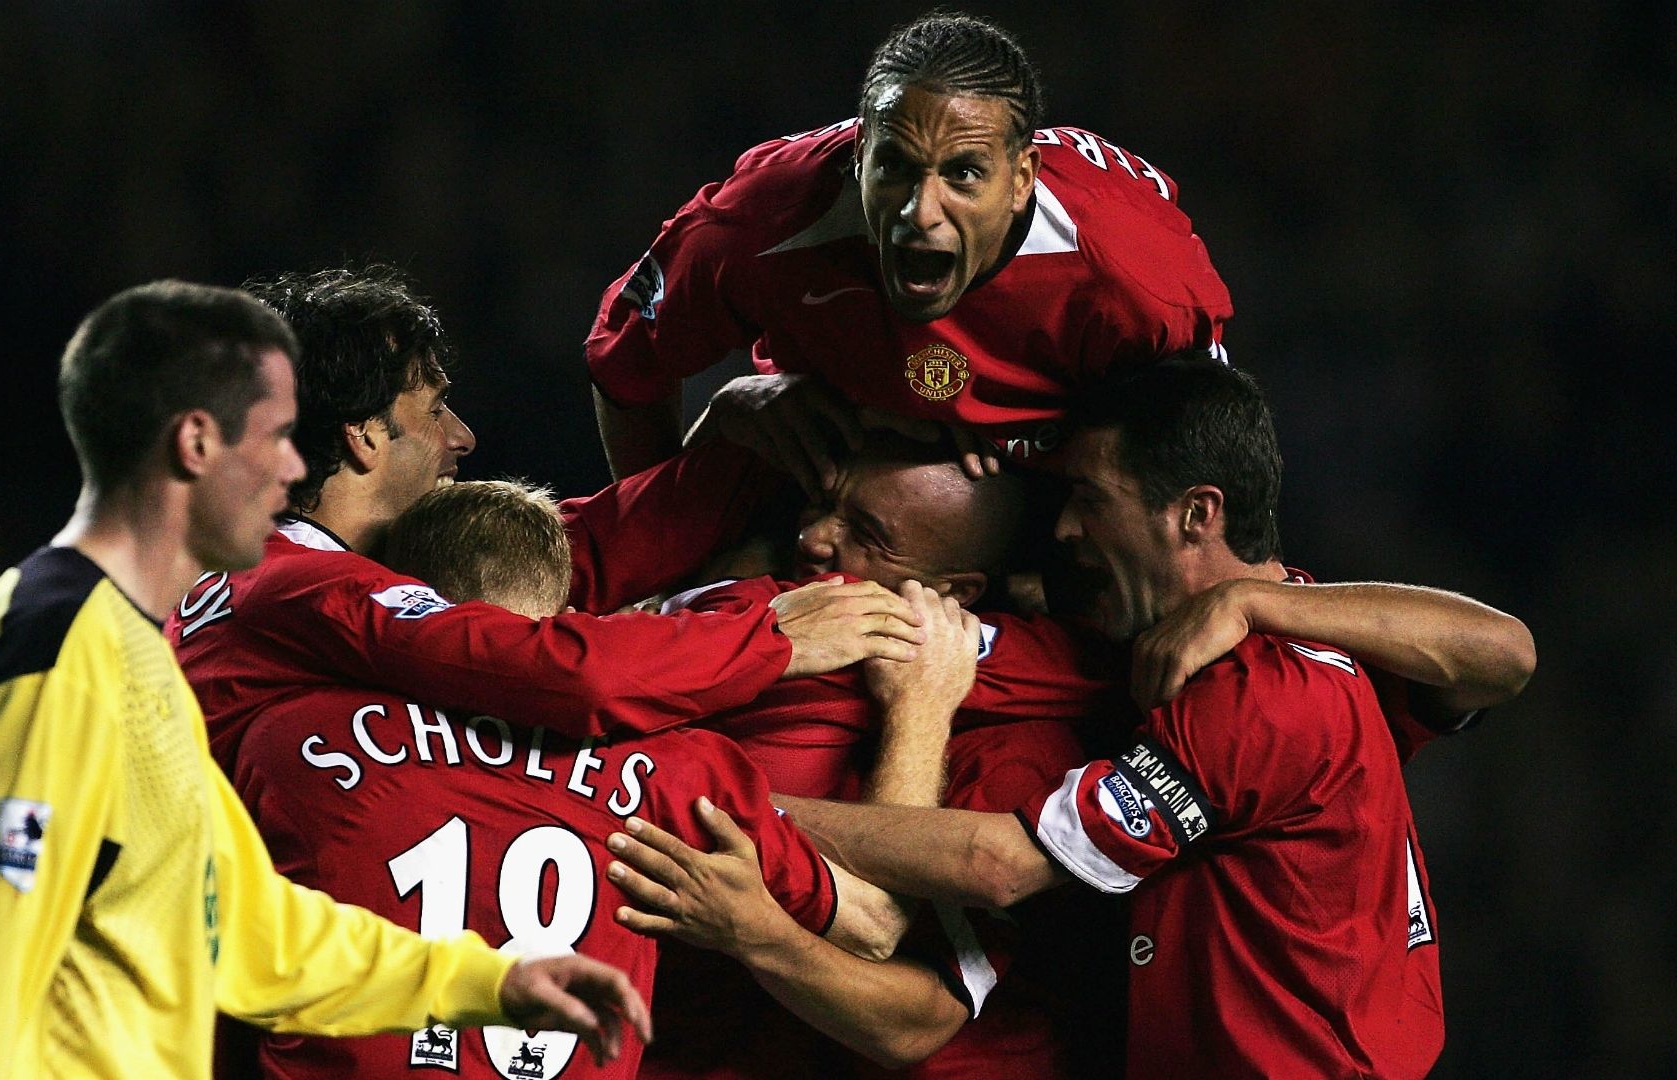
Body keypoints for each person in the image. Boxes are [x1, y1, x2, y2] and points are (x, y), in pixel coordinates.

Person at [585, 426, 1534, 1076]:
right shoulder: (1282, 642)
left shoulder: (1246, 695)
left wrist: (698, 804)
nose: (1069, 530)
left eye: (1090, 499)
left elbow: (982, 882)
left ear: (1194, 514)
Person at [0, 282, 648, 1080]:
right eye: (278, 437)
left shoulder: (137, 652)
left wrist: (487, 980)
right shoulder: (60, 654)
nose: (296, 467)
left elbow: (254, 930)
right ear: (195, 444)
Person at [221, 479, 949, 1078]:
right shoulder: (679, 771)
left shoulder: (287, 740)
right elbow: (877, 926)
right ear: (572, 618)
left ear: (408, 597)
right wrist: (922, 704)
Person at [169, 266, 925, 783]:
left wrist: (763, 434)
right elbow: (567, 674)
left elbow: (578, 551)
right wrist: (775, 638)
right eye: (433, 409)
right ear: (362, 435)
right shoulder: (300, 589)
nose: (461, 437)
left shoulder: (291, 566)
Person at [587, 11, 1234, 486]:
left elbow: (1206, 477)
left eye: (963, 174)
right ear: (860, 155)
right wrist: (660, 546)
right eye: (895, 166)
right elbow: (627, 362)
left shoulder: (1135, 277)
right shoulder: (760, 218)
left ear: (1022, 180)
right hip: (821, 476)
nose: (919, 213)